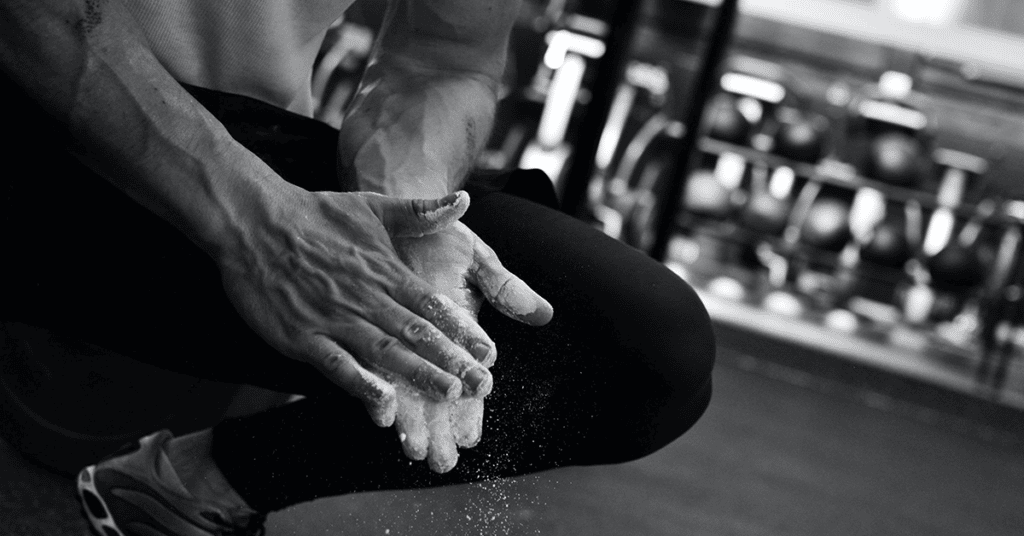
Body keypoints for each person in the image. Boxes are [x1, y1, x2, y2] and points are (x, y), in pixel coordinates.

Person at [1, 1, 716, 535]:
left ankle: (186, 485)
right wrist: (257, 223)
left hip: (245, 149)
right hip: (39, 120)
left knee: (646, 354)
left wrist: (413, 221)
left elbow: (442, 59)